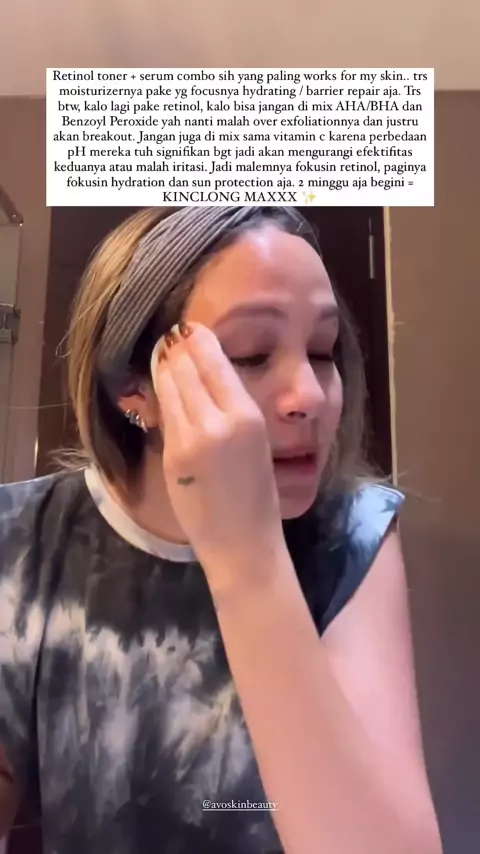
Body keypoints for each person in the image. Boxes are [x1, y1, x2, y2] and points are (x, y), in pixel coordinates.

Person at [0, 206, 441, 854]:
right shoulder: (20, 541)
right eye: (253, 354)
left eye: (322, 352)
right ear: (133, 388)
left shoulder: (355, 536)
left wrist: (249, 560)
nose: (310, 396)